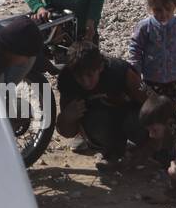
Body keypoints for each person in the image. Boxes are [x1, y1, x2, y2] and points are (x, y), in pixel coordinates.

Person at [55, 42, 148, 171]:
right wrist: (67, 117)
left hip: (131, 117)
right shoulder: (68, 81)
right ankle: (113, 153)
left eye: (90, 75)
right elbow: (66, 131)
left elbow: (151, 102)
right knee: (95, 119)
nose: (86, 82)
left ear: (100, 67)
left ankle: (143, 149)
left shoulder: (119, 71)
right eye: (79, 77)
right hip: (100, 126)